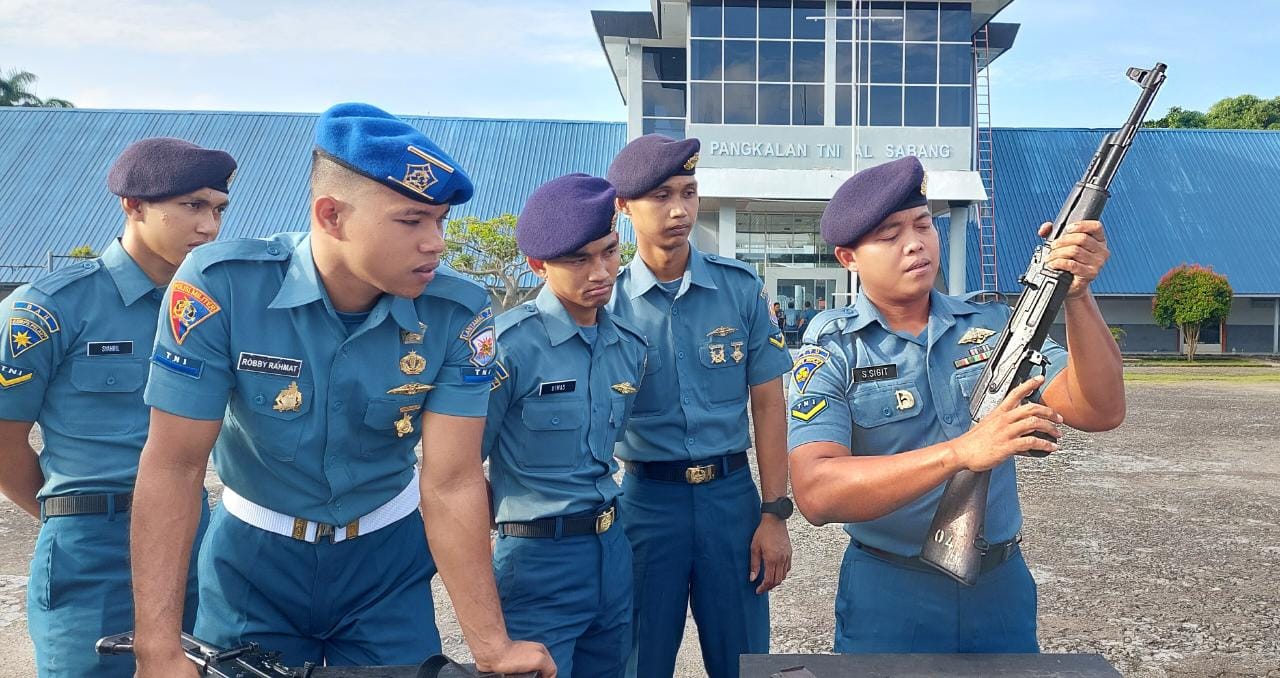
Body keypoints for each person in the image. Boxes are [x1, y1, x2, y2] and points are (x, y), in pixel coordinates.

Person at [128, 103, 554, 677]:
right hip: (253, 560)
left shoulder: (458, 313)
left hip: (386, 565)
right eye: (412, 221)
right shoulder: (223, 287)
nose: (437, 243)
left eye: (441, 221)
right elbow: (174, 465)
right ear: (331, 215)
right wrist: (158, 647)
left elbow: (451, 481)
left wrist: (491, 645)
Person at [787, 156, 1126, 653]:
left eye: (923, 223)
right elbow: (817, 493)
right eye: (889, 235)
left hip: (999, 585)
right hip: (889, 591)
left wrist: (1077, 295)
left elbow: (1099, 410)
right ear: (848, 257)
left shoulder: (993, 327)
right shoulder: (833, 348)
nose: (915, 243)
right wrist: (961, 452)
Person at [0, 138, 235, 677]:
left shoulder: (210, 308)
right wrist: (67, 518)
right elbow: (3, 439)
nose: (209, 228)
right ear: (133, 205)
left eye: (218, 209)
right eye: (192, 206)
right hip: (93, 545)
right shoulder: (50, 307)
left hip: (194, 536)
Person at [606, 135, 794, 678]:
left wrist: (774, 512)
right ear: (623, 207)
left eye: (689, 193)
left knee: (742, 660)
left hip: (730, 502)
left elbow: (767, 403)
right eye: (661, 195)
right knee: (639, 659)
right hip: (645, 501)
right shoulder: (607, 304)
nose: (679, 210)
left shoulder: (739, 289)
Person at [484, 174, 647, 677]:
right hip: (536, 561)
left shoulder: (629, 347)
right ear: (538, 264)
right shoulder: (508, 348)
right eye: (579, 259)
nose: (601, 271)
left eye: (610, 251)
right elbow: (459, 469)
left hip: (611, 551)